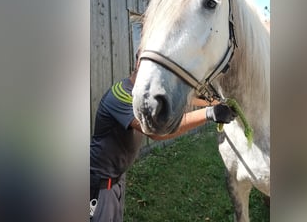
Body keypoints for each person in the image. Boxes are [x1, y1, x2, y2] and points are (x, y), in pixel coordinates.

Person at [90, 57, 238, 222]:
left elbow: (177, 101)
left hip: (117, 179)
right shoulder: (120, 95)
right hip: (101, 183)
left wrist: (212, 101)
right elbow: (156, 131)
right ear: (140, 64)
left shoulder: (143, 94)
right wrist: (210, 113)